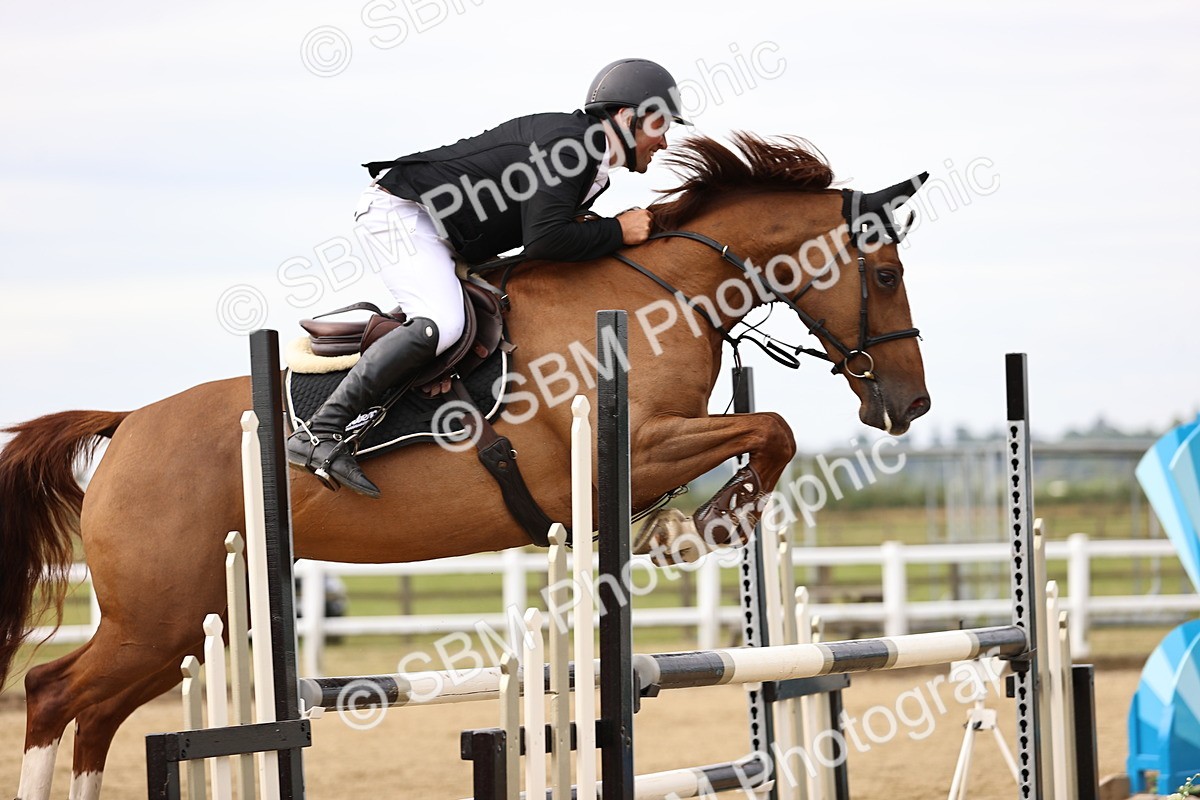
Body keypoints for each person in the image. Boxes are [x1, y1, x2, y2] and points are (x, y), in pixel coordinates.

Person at [287, 58, 689, 498]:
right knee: (443, 324)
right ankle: (318, 431)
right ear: (628, 118)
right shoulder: (571, 147)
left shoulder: (589, 159)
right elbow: (546, 242)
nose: (665, 142)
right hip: (404, 216)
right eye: (661, 126)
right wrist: (618, 230)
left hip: (445, 231)